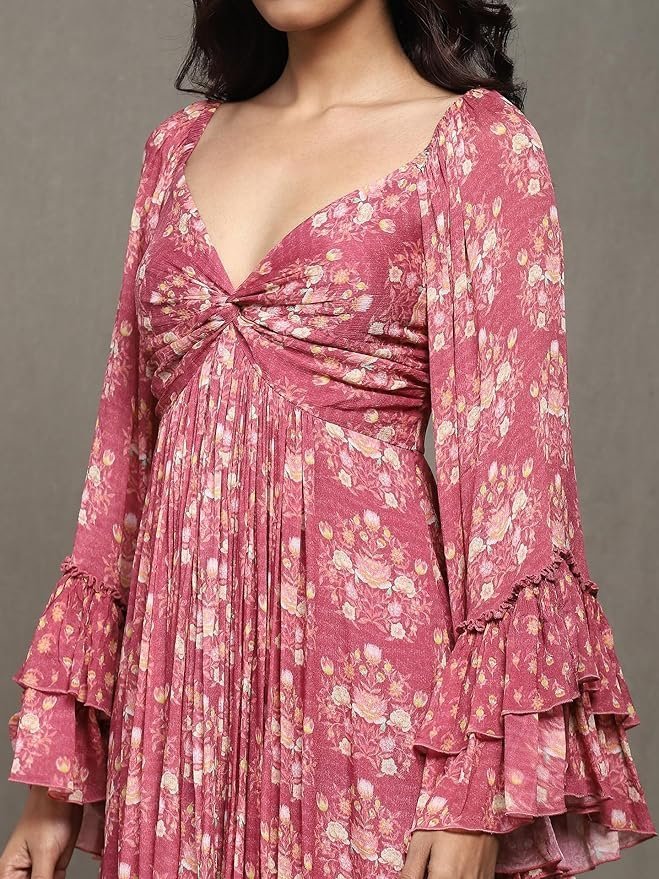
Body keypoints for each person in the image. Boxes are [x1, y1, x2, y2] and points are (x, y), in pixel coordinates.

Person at [1, 1, 655, 878]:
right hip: (181, 697)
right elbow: (121, 461)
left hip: (368, 698)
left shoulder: (474, 145)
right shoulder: (178, 148)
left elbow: (515, 486)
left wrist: (474, 787)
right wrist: (55, 782)